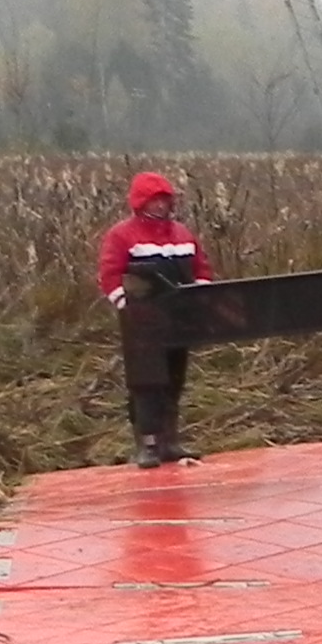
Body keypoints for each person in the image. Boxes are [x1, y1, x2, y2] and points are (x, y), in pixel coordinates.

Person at [96, 170, 215, 468]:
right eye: (154, 200)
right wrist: (124, 304)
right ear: (140, 202)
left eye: (164, 200)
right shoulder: (122, 235)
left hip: (180, 319)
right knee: (147, 383)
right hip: (143, 324)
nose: (161, 206)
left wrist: (201, 296)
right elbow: (109, 274)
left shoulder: (183, 234)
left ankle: (170, 441)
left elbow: (202, 269)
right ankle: (147, 444)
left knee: (174, 380)